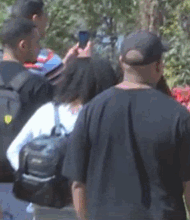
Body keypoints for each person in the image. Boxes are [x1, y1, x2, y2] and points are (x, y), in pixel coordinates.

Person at [61, 30, 190, 220]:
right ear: (159, 66)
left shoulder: (91, 111)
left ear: (121, 62)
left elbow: (77, 183)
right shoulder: (178, 116)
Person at [7, 55, 117, 219]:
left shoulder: (47, 110)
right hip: (84, 206)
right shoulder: (102, 116)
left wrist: (36, 177)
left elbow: (13, 151)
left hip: (44, 202)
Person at [0, 17, 56, 220]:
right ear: (23, 45)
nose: (40, 48)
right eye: (37, 42)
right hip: (22, 185)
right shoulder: (37, 86)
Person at [10, 0, 75, 86]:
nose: (46, 20)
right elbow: (63, 91)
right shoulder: (47, 60)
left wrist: (64, 63)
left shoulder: (5, 57)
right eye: (45, 16)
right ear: (35, 19)